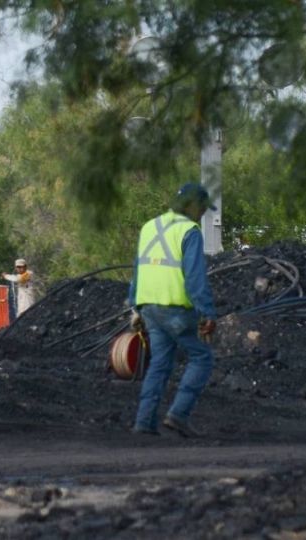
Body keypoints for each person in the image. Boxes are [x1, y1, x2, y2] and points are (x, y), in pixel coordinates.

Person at [129, 182, 218, 438]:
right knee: (201, 357)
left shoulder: (150, 226)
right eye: (202, 208)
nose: (202, 214)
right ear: (192, 206)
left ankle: (144, 423)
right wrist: (208, 313)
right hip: (176, 308)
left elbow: (138, 268)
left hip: (149, 309)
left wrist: (134, 306)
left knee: (159, 363)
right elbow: (195, 277)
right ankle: (178, 415)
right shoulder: (189, 231)